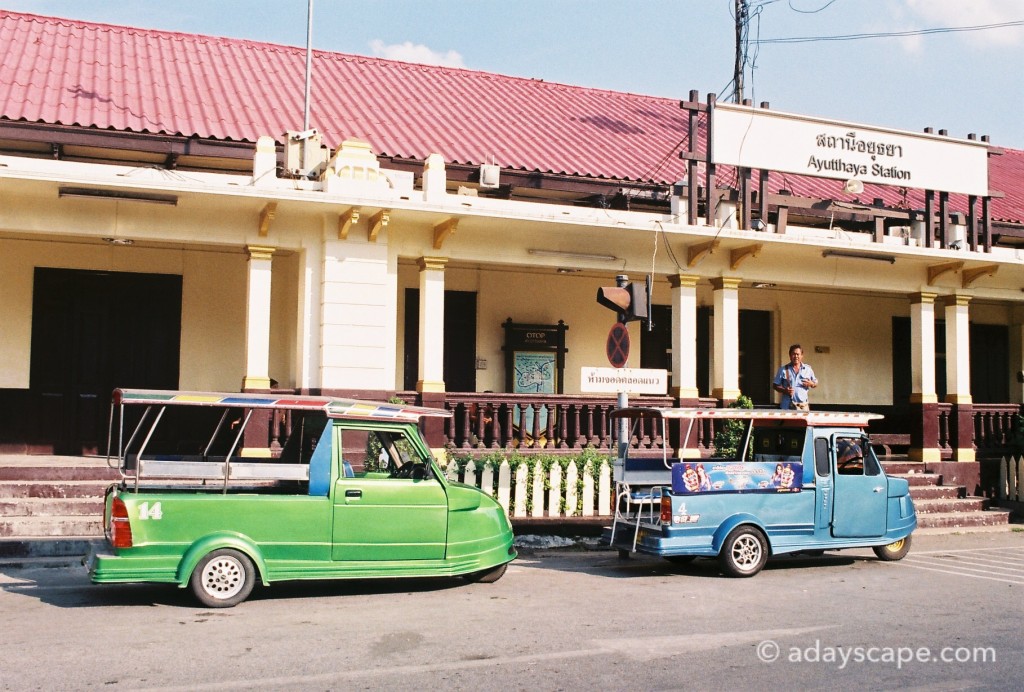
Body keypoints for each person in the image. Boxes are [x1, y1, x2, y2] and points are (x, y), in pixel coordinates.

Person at [773, 344, 817, 410]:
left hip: (803, 406)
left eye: (798, 354)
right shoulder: (783, 370)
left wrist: (812, 384)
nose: (796, 356)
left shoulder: (808, 369)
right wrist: (785, 390)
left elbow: (815, 382)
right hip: (787, 406)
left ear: (802, 356)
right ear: (790, 356)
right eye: (793, 354)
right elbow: (775, 385)